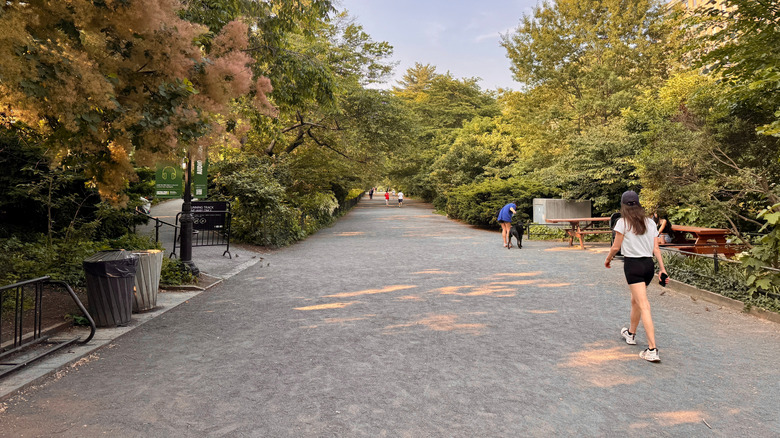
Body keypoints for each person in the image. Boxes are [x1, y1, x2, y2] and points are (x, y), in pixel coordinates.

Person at [605, 190, 668, 363]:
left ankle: (652, 349)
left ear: (623, 205)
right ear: (638, 204)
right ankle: (631, 334)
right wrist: (662, 269)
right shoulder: (650, 222)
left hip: (633, 266)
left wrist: (608, 259)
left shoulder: (622, 223)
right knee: (636, 300)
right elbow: (656, 249)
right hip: (648, 266)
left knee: (644, 304)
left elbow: (615, 247)